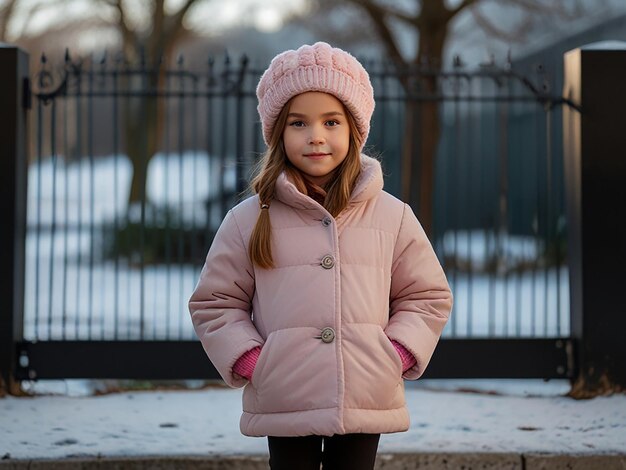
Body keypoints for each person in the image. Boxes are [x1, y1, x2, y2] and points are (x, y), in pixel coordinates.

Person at [188, 42, 453, 470]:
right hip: (284, 391)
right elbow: (215, 302)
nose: (316, 135)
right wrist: (253, 361)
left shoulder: (392, 215)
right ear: (278, 133)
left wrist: (395, 353)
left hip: (364, 390)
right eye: (298, 123)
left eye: (331, 121)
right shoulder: (249, 219)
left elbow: (427, 296)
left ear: (354, 131)